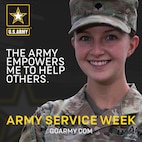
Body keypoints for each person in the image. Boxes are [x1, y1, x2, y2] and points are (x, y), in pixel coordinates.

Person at [19, 0, 142, 141]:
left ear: (132, 45)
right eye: (85, 38)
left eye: (110, 37)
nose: (97, 51)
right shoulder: (45, 121)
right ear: (74, 44)